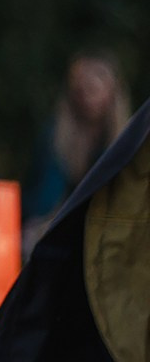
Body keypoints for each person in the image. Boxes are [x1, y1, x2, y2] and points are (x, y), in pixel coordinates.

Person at [27, 52, 130, 239]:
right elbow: (40, 201)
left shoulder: (127, 143)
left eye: (94, 89)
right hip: (53, 227)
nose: (87, 97)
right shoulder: (54, 136)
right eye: (81, 89)